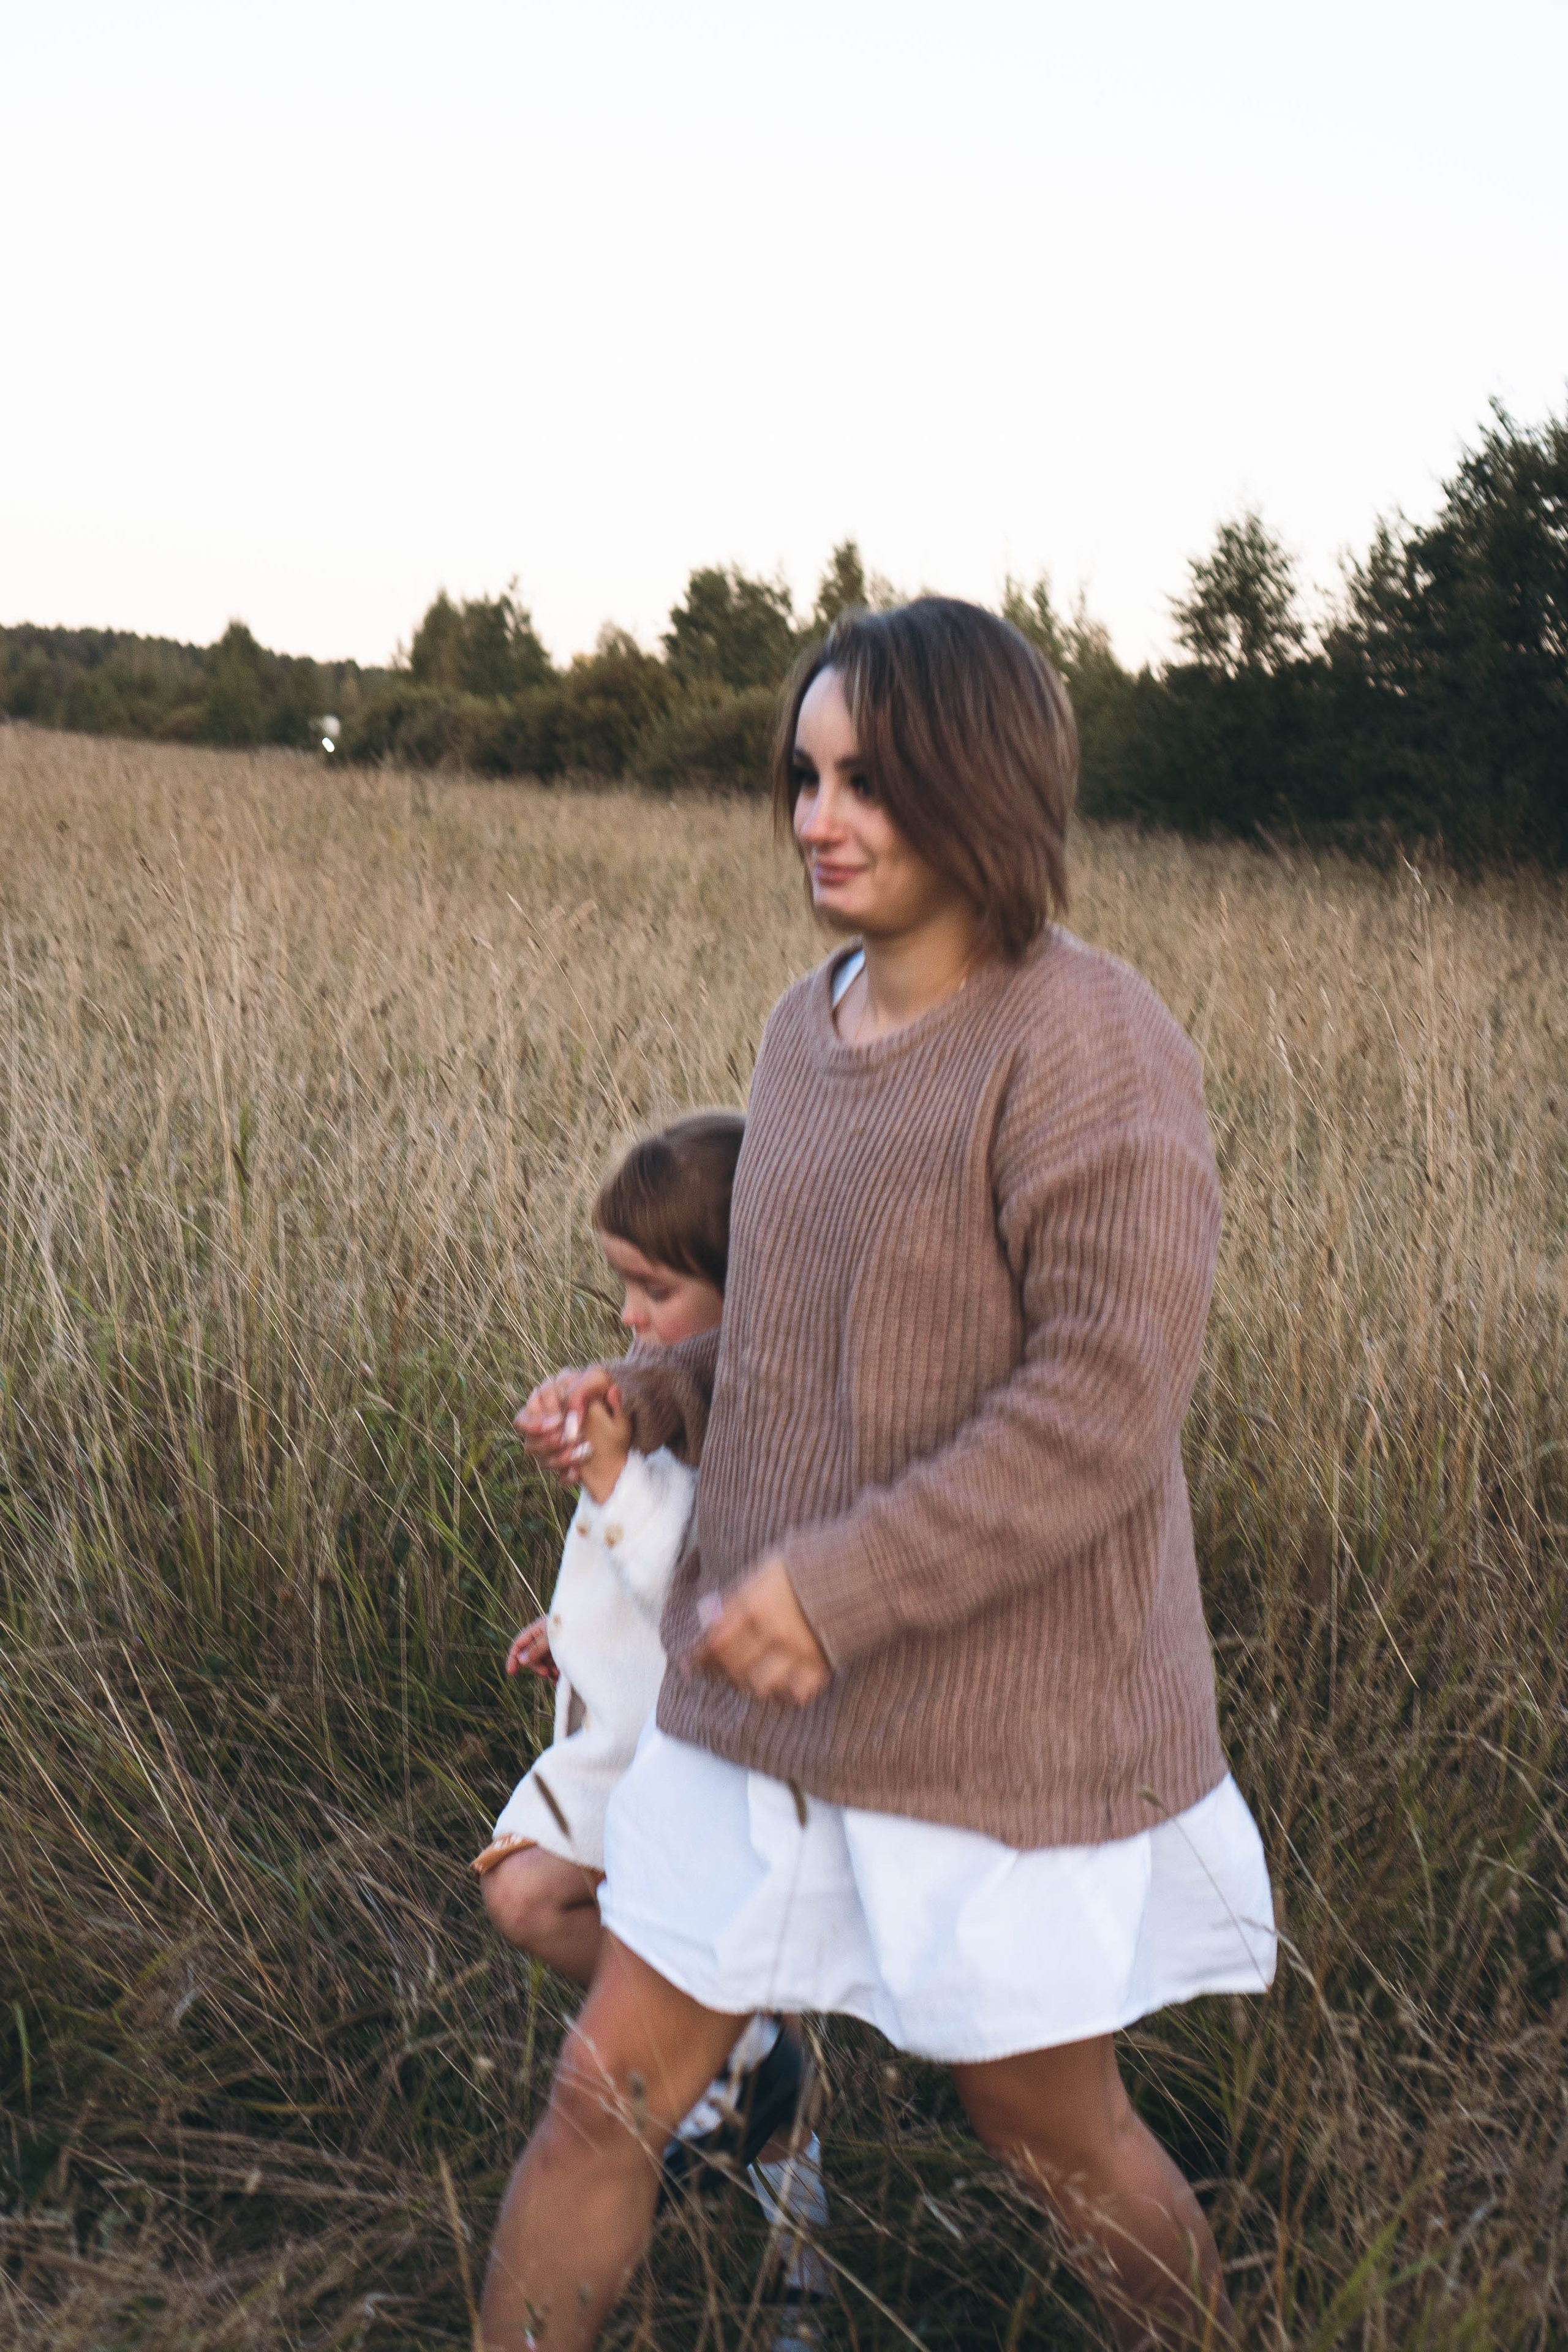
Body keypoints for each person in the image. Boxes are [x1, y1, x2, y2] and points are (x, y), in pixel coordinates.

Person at [486, 598, 1278, 2351]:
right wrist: (648, 1396)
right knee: (601, 2096)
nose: (816, 817)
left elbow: (1104, 1400)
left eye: (867, 781)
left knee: (1048, 2130)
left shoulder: (1089, 1041)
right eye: (804, 774)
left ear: (980, 788)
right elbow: (782, 1339)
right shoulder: (800, 1025)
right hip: (752, 1712)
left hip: (985, 1721)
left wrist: (842, 1591)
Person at [475, 1114, 828, 2304]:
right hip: (628, 1738)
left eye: (655, 1288)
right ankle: (743, 2063)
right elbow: (627, 1579)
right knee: (528, 1889)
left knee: (698, 1981)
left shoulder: (771, 1423)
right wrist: (564, 1632)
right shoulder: (658, 1391)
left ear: (746, 1291)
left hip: (719, 1762)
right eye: (619, 1284)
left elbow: (697, 1573)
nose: (627, 1316)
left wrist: (614, 1478)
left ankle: (800, 2279)